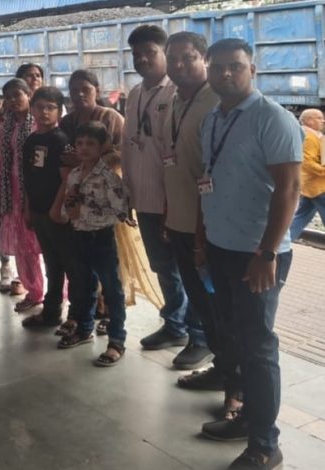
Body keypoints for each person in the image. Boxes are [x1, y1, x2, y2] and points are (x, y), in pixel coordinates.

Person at [198, 38, 302, 470]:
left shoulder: (272, 118)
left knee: (258, 348)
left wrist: (267, 252)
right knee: (236, 338)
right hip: (220, 247)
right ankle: (246, 418)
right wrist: (202, 238)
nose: (225, 74)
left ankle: (265, 444)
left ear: (252, 70)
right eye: (217, 67)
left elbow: (290, 190)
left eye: (235, 66)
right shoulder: (213, 118)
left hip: (257, 255)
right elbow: (207, 179)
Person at [53, 69, 162, 338]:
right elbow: (62, 157)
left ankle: (112, 319)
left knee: (112, 269)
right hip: (80, 206)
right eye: (74, 90)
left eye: (85, 90)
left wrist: (89, 162)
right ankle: (84, 317)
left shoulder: (111, 117)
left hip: (105, 201)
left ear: (97, 91)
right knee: (83, 272)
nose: (79, 95)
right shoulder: (67, 122)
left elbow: (123, 153)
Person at [161, 32, 227, 377]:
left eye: (187, 58)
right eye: (172, 59)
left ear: (204, 60)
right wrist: (169, 213)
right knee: (199, 299)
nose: (178, 65)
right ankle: (221, 368)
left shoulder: (216, 101)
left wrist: (203, 233)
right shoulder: (175, 99)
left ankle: (230, 375)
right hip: (180, 222)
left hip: (208, 228)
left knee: (217, 305)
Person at [121, 25, 191, 353]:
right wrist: (127, 191)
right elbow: (127, 144)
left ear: (165, 54)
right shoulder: (135, 93)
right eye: (137, 55)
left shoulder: (176, 92)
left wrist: (171, 202)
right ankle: (175, 324)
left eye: (150, 52)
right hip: (143, 197)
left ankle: (194, 331)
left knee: (183, 268)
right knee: (163, 266)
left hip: (170, 201)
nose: (143, 59)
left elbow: (177, 153)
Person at [59, 122, 129, 366]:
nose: (84, 148)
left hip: (101, 238)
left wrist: (87, 206)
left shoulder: (109, 177)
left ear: (102, 147)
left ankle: (116, 341)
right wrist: (69, 206)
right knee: (83, 286)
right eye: (79, 143)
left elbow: (121, 210)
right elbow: (66, 212)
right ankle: (84, 328)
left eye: (90, 143)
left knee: (112, 290)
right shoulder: (74, 175)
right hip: (78, 236)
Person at [20, 86, 91, 328]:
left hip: (57, 215)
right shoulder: (31, 140)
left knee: (70, 264)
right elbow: (28, 177)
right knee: (52, 264)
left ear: (60, 111)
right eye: (40, 107)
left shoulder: (60, 141)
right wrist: (28, 208)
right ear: (32, 109)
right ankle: (51, 312)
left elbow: (67, 179)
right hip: (39, 211)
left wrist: (56, 209)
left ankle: (77, 316)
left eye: (50, 108)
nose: (44, 112)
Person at [0, 78, 43, 311]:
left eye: (18, 95)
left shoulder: (38, 123)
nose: (13, 100)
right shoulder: (6, 126)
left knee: (43, 245)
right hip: (11, 192)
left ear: (28, 95)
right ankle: (33, 292)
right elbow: (0, 160)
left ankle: (57, 295)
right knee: (23, 247)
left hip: (35, 192)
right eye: (9, 97)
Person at [289, 108, 325, 241]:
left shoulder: (313, 135)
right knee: (301, 216)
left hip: (310, 186)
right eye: (319, 118)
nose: (323, 121)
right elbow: (307, 162)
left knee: (301, 217)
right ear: (308, 120)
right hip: (318, 186)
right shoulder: (309, 137)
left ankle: (282, 244)